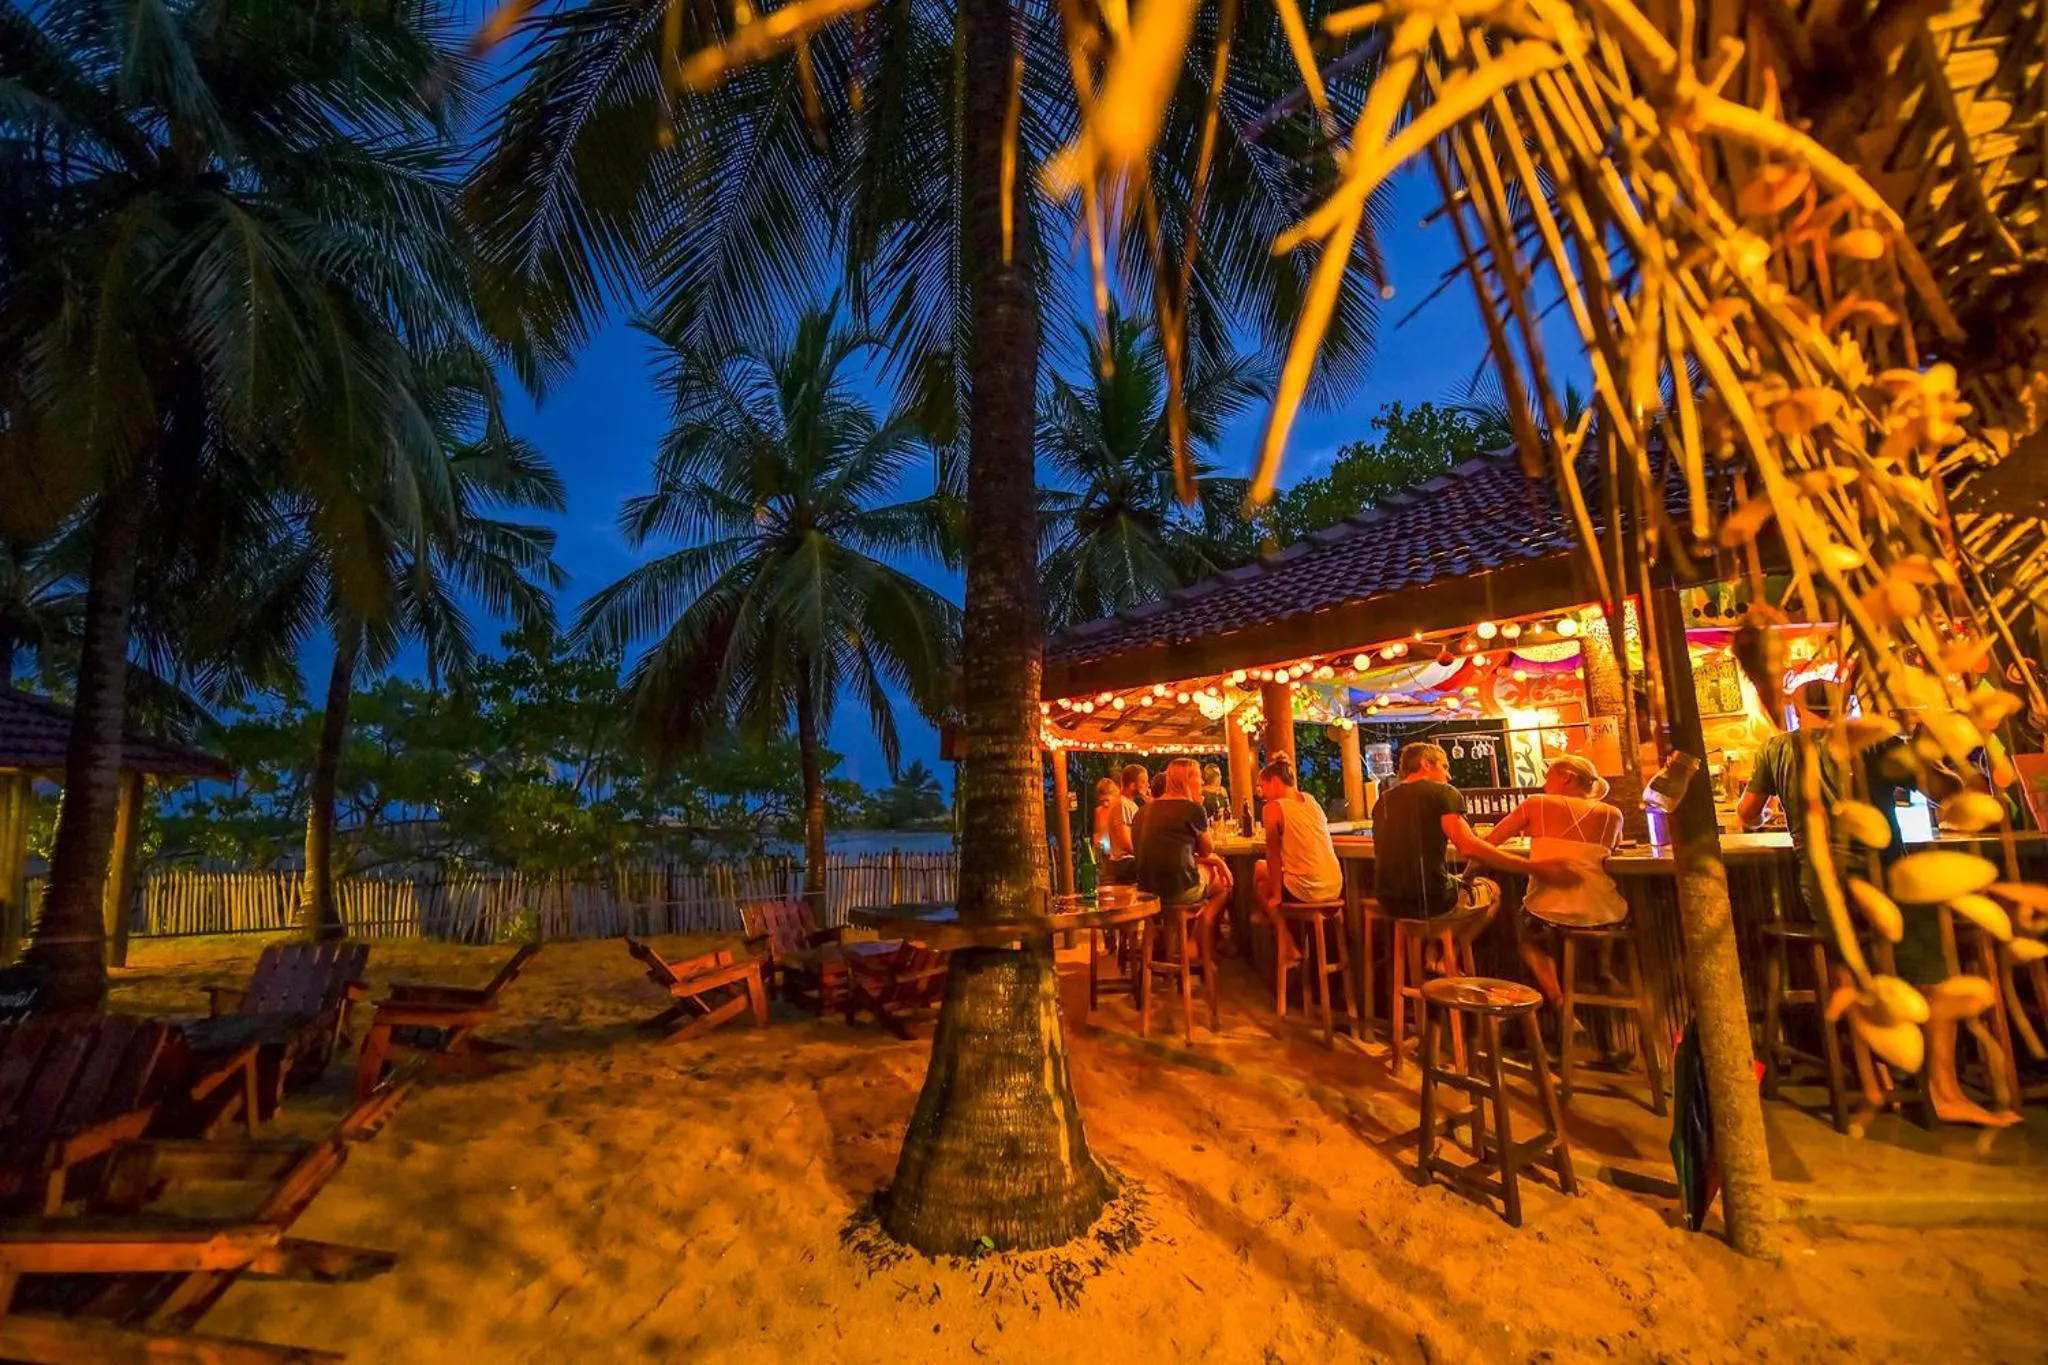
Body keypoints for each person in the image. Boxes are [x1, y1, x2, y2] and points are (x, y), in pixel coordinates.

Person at [1739, 680, 2014, 1127]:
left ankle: (1878, 1079)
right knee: (1933, 976)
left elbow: (1746, 814)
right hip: (1890, 876)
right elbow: (1950, 793)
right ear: (1847, 708)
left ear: (1796, 709)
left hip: (1823, 883)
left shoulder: (1776, 749)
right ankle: (1943, 1090)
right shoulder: (1876, 745)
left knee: (1853, 973)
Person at [1372, 741, 1575, 937]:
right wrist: (1534, 868)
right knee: (1492, 889)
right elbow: (1469, 848)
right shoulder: (1443, 792)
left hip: (1388, 901)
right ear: (1425, 763)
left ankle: (1434, 954)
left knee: (1454, 882)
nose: (1448, 775)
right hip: (1433, 901)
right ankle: (1449, 957)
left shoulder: (1384, 800)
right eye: (1444, 766)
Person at [1486, 754, 1627, 1007]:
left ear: (1566, 777)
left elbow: (1489, 843)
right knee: (1611, 914)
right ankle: (1603, 970)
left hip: (1547, 912)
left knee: (1525, 936)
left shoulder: (1536, 803)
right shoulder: (1613, 814)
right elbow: (1614, 848)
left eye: (1548, 775)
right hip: (1603, 913)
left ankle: (1558, 998)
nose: (1544, 783)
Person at [1131, 758, 1234, 954]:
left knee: (1208, 869)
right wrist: (1218, 862)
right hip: (1178, 890)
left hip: (1146, 891)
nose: (1202, 783)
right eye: (1198, 777)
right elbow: (1206, 849)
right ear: (1186, 780)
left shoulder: (1142, 811)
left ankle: (1173, 943)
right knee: (1223, 884)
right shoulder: (1192, 809)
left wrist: (1215, 860)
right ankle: (1195, 939)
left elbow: (1172, 853)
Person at [1250, 756, 1343, 963]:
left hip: (1306, 890)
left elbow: (1273, 856)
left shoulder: (1272, 808)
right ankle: (1270, 918)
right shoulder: (1311, 800)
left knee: (1259, 871)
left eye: (1262, 786)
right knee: (1266, 877)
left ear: (1275, 782)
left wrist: (1276, 895)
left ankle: (1285, 938)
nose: (1261, 793)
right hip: (1336, 887)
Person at [1093, 777, 1136, 886]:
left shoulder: (1119, 808)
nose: (1105, 804)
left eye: (1107, 800)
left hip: (1119, 856)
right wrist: (1097, 840)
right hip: (1105, 856)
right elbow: (1097, 832)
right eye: (1102, 801)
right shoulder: (1099, 812)